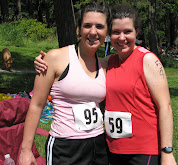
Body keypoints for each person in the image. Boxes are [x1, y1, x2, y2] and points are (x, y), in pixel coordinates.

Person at [34, 4, 176, 165]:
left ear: (137, 32)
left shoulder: (148, 60)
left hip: (142, 151)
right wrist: (45, 63)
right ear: (109, 35)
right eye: (116, 32)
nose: (122, 37)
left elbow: (165, 107)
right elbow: (79, 66)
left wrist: (167, 152)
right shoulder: (109, 62)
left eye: (127, 32)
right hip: (111, 149)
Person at [19, 1, 111, 165]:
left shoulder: (105, 65)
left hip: (98, 145)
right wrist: (26, 150)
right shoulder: (56, 58)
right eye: (87, 25)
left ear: (107, 32)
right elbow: (36, 105)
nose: (93, 32)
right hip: (65, 146)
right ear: (78, 29)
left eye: (99, 26)